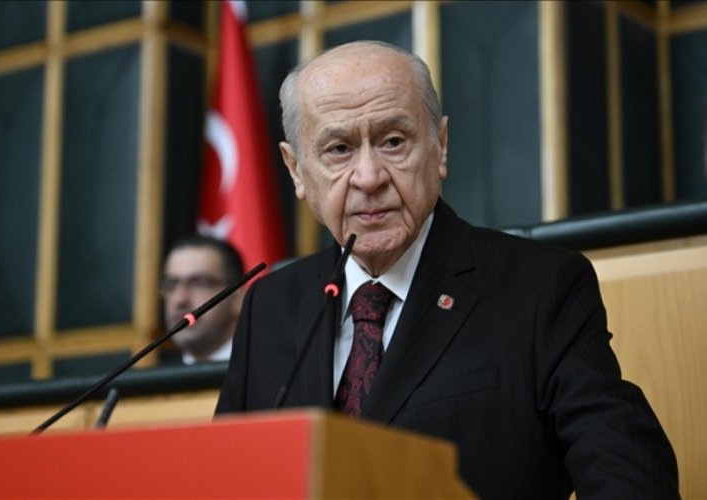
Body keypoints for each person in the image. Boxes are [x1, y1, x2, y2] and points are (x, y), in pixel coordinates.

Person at [215, 41, 679, 498]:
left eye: (393, 142)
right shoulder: (270, 306)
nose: (369, 177)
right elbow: (222, 476)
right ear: (296, 170)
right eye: (339, 149)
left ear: (440, 147)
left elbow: (628, 468)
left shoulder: (540, 286)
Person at [160, 234, 245, 364]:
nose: (180, 299)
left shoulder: (266, 369)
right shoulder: (156, 375)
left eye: (199, 283)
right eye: (171, 285)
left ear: (236, 299)